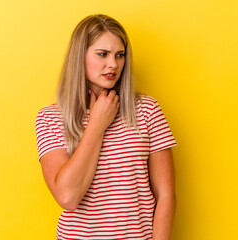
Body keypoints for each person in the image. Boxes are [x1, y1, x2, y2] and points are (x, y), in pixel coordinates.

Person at [35, 14, 177, 240]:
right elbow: (68, 197)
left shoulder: (147, 110)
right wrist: (96, 125)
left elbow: (166, 195)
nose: (113, 64)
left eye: (120, 55)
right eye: (102, 54)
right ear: (79, 57)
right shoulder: (50, 118)